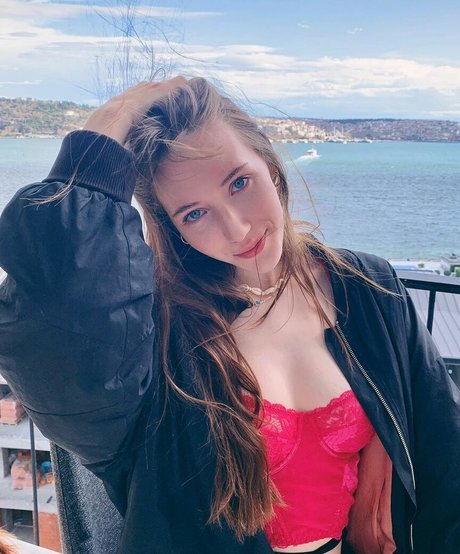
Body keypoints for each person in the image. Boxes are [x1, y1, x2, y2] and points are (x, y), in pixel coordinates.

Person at [0, 77, 459, 554]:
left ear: (270, 165)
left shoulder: (368, 288)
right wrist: (99, 143)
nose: (237, 229)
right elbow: (49, 337)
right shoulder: (156, 338)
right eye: (194, 214)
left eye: (240, 183)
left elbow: (445, 458)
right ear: (174, 230)